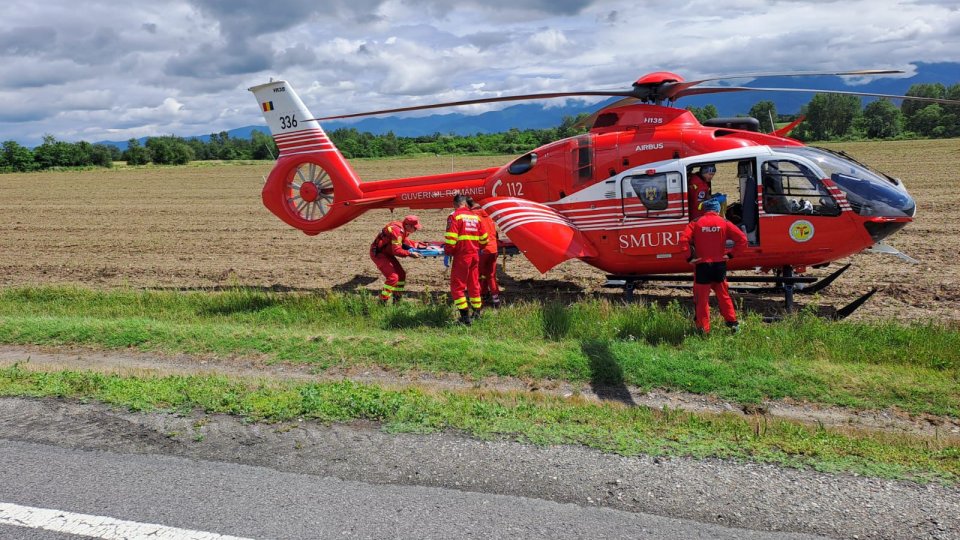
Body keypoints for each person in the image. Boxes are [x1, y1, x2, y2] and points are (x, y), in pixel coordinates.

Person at [680, 198, 748, 334]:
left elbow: (683, 240)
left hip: (702, 266)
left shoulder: (695, 222)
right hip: (719, 265)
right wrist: (730, 255)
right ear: (717, 210)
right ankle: (732, 324)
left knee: (702, 300)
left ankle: (703, 330)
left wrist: (689, 257)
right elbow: (742, 239)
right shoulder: (724, 222)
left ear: (705, 209)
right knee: (724, 296)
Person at [444, 194, 488, 325]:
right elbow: (484, 240)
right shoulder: (476, 217)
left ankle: (465, 318)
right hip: (475, 255)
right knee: (474, 285)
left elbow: (451, 239)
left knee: (457, 287)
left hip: (462, 256)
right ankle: (477, 314)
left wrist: (448, 252)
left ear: (455, 204)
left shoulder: (455, 216)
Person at [370, 215, 423, 303]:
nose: (416, 230)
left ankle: (397, 299)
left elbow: (404, 241)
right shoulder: (397, 231)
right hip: (379, 254)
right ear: (407, 225)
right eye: (415, 228)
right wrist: (410, 253)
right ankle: (382, 302)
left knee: (401, 275)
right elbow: (397, 251)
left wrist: (419, 245)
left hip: (387, 253)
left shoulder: (403, 229)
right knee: (393, 278)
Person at [468, 198, 501, 308]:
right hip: (493, 249)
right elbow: (496, 233)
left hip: (482, 249)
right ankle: (496, 301)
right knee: (490, 275)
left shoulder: (472, 216)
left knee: (476, 276)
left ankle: (478, 301)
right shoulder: (488, 214)